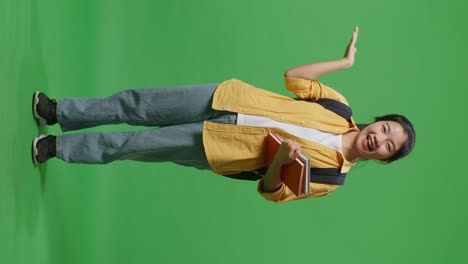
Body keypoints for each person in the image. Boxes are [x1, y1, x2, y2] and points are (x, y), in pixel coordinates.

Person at [31, 27, 415, 203]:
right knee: (136, 103)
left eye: (387, 146)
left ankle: (57, 147)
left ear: (383, 158)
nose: (379, 139)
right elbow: (295, 78)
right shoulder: (339, 107)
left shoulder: (332, 178)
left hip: (219, 148)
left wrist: (280, 161)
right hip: (227, 99)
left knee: (132, 144)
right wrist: (343, 63)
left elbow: (273, 192)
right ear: (378, 120)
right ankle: (60, 110)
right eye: (385, 129)